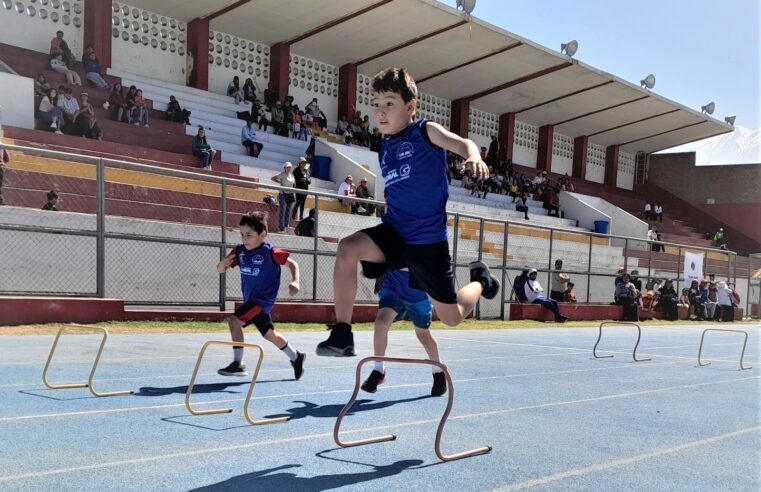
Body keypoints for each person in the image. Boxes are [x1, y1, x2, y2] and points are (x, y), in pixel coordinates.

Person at [316, 67, 499, 357]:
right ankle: (342, 333)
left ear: (410, 106)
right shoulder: (385, 146)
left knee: (451, 317)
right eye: (376, 104)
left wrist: (474, 156)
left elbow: (462, 143)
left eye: (389, 103)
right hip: (396, 233)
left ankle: (480, 281)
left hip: (427, 243)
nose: (380, 111)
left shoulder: (425, 131)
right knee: (348, 248)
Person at [216, 212, 305, 379]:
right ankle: (296, 357)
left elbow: (293, 263)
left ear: (262, 234)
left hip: (262, 302)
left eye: (249, 235)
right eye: (242, 234)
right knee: (269, 335)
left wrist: (296, 282)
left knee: (234, 322)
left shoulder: (270, 252)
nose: (244, 238)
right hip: (251, 302)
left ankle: (238, 363)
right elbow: (220, 269)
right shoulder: (239, 252)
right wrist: (222, 264)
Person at [361, 269, 446, 396]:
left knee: (423, 335)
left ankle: (438, 371)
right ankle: (378, 370)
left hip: (417, 294)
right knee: (381, 324)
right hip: (392, 289)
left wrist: (388, 263)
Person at [271, 162, 296, 232]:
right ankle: (281, 227)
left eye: (290, 167)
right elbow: (273, 178)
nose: (288, 168)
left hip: (290, 194)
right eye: (287, 167)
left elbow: (294, 185)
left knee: (288, 211)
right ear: (284, 168)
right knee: (283, 210)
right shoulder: (282, 174)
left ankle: (286, 225)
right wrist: (279, 182)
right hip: (283, 194)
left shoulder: (292, 176)